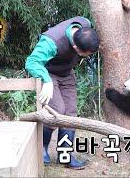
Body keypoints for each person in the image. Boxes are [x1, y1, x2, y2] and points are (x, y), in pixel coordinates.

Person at [25, 16, 100, 170]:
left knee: (70, 114)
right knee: (57, 111)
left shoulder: (84, 23)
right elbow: (31, 62)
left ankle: (65, 155)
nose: (88, 56)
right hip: (49, 73)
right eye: (87, 54)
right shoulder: (51, 42)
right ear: (76, 49)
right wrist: (46, 80)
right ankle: (42, 149)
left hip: (66, 74)